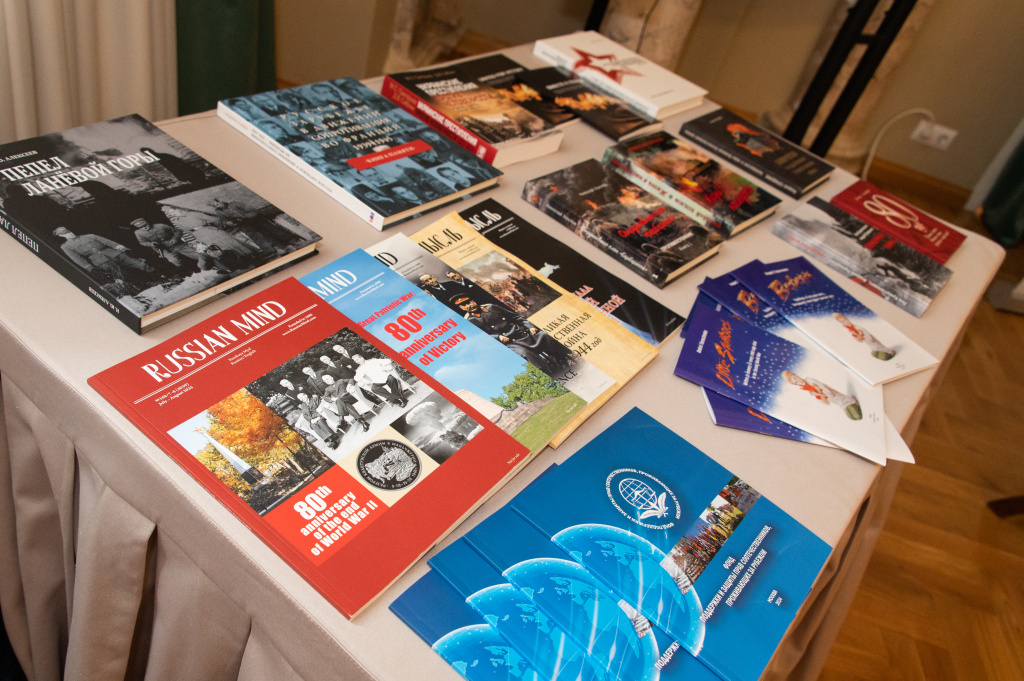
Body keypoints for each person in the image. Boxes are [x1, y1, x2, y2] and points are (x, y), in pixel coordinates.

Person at [451, 294, 575, 375]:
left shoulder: (491, 307)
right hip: (510, 343)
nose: (468, 306)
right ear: (461, 308)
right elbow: (481, 339)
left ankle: (561, 357)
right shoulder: (469, 321)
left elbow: (517, 317)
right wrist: (498, 337)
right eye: (463, 305)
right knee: (524, 354)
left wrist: (531, 327)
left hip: (522, 333)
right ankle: (550, 373)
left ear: (473, 301)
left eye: (468, 302)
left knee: (544, 336)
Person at [54, 227, 155, 282]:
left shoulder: (89, 236)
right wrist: (89, 267)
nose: (70, 233)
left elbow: (106, 241)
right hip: (101, 262)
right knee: (123, 276)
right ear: (61, 236)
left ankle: (158, 277)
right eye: (66, 233)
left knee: (140, 264)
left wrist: (119, 246)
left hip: (114, 253)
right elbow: (77, 258)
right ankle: (145, 285)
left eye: (69, 231)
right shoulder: (66, 246)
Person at [132, 218, 222, 273]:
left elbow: (177, 231)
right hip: (164, 249)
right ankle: (188, 273)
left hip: (178, 245)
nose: (144, 227)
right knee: (174, 261)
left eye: (145, 225)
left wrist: (175, 238)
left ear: (147, 222)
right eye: (141, 227)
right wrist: (151, 244)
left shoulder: (160, 226)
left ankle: (217, 267)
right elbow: (142, 242)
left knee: (200, 255)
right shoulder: (138, 233)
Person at [781, 371, 862, 420]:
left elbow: (822, 387)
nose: (798, 381)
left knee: (857, 416)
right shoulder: (808, 389)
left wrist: (827, 394)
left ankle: (852, 401)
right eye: (795, 382)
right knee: (851, 417)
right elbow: (824, 401)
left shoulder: (809, 380)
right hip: (836, 402)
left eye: (795, 378)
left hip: (837, 397)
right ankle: (849, 405)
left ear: (796, 375)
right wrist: (819, 395)